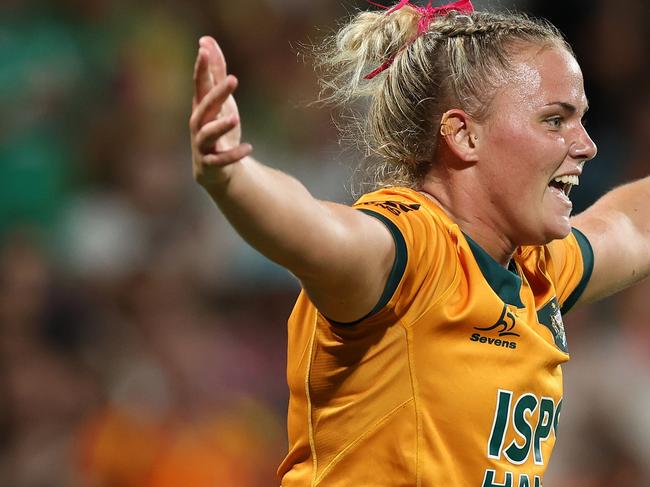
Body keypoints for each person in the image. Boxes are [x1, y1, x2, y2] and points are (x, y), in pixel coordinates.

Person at [189, 1, 649, 485]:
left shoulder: (540, 269)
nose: (587, 145)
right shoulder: (414, 250)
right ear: (463, 135)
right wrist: (233, 177)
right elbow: (315, 231)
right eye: (555, 120)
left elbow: (632, 227)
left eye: (580, 119)